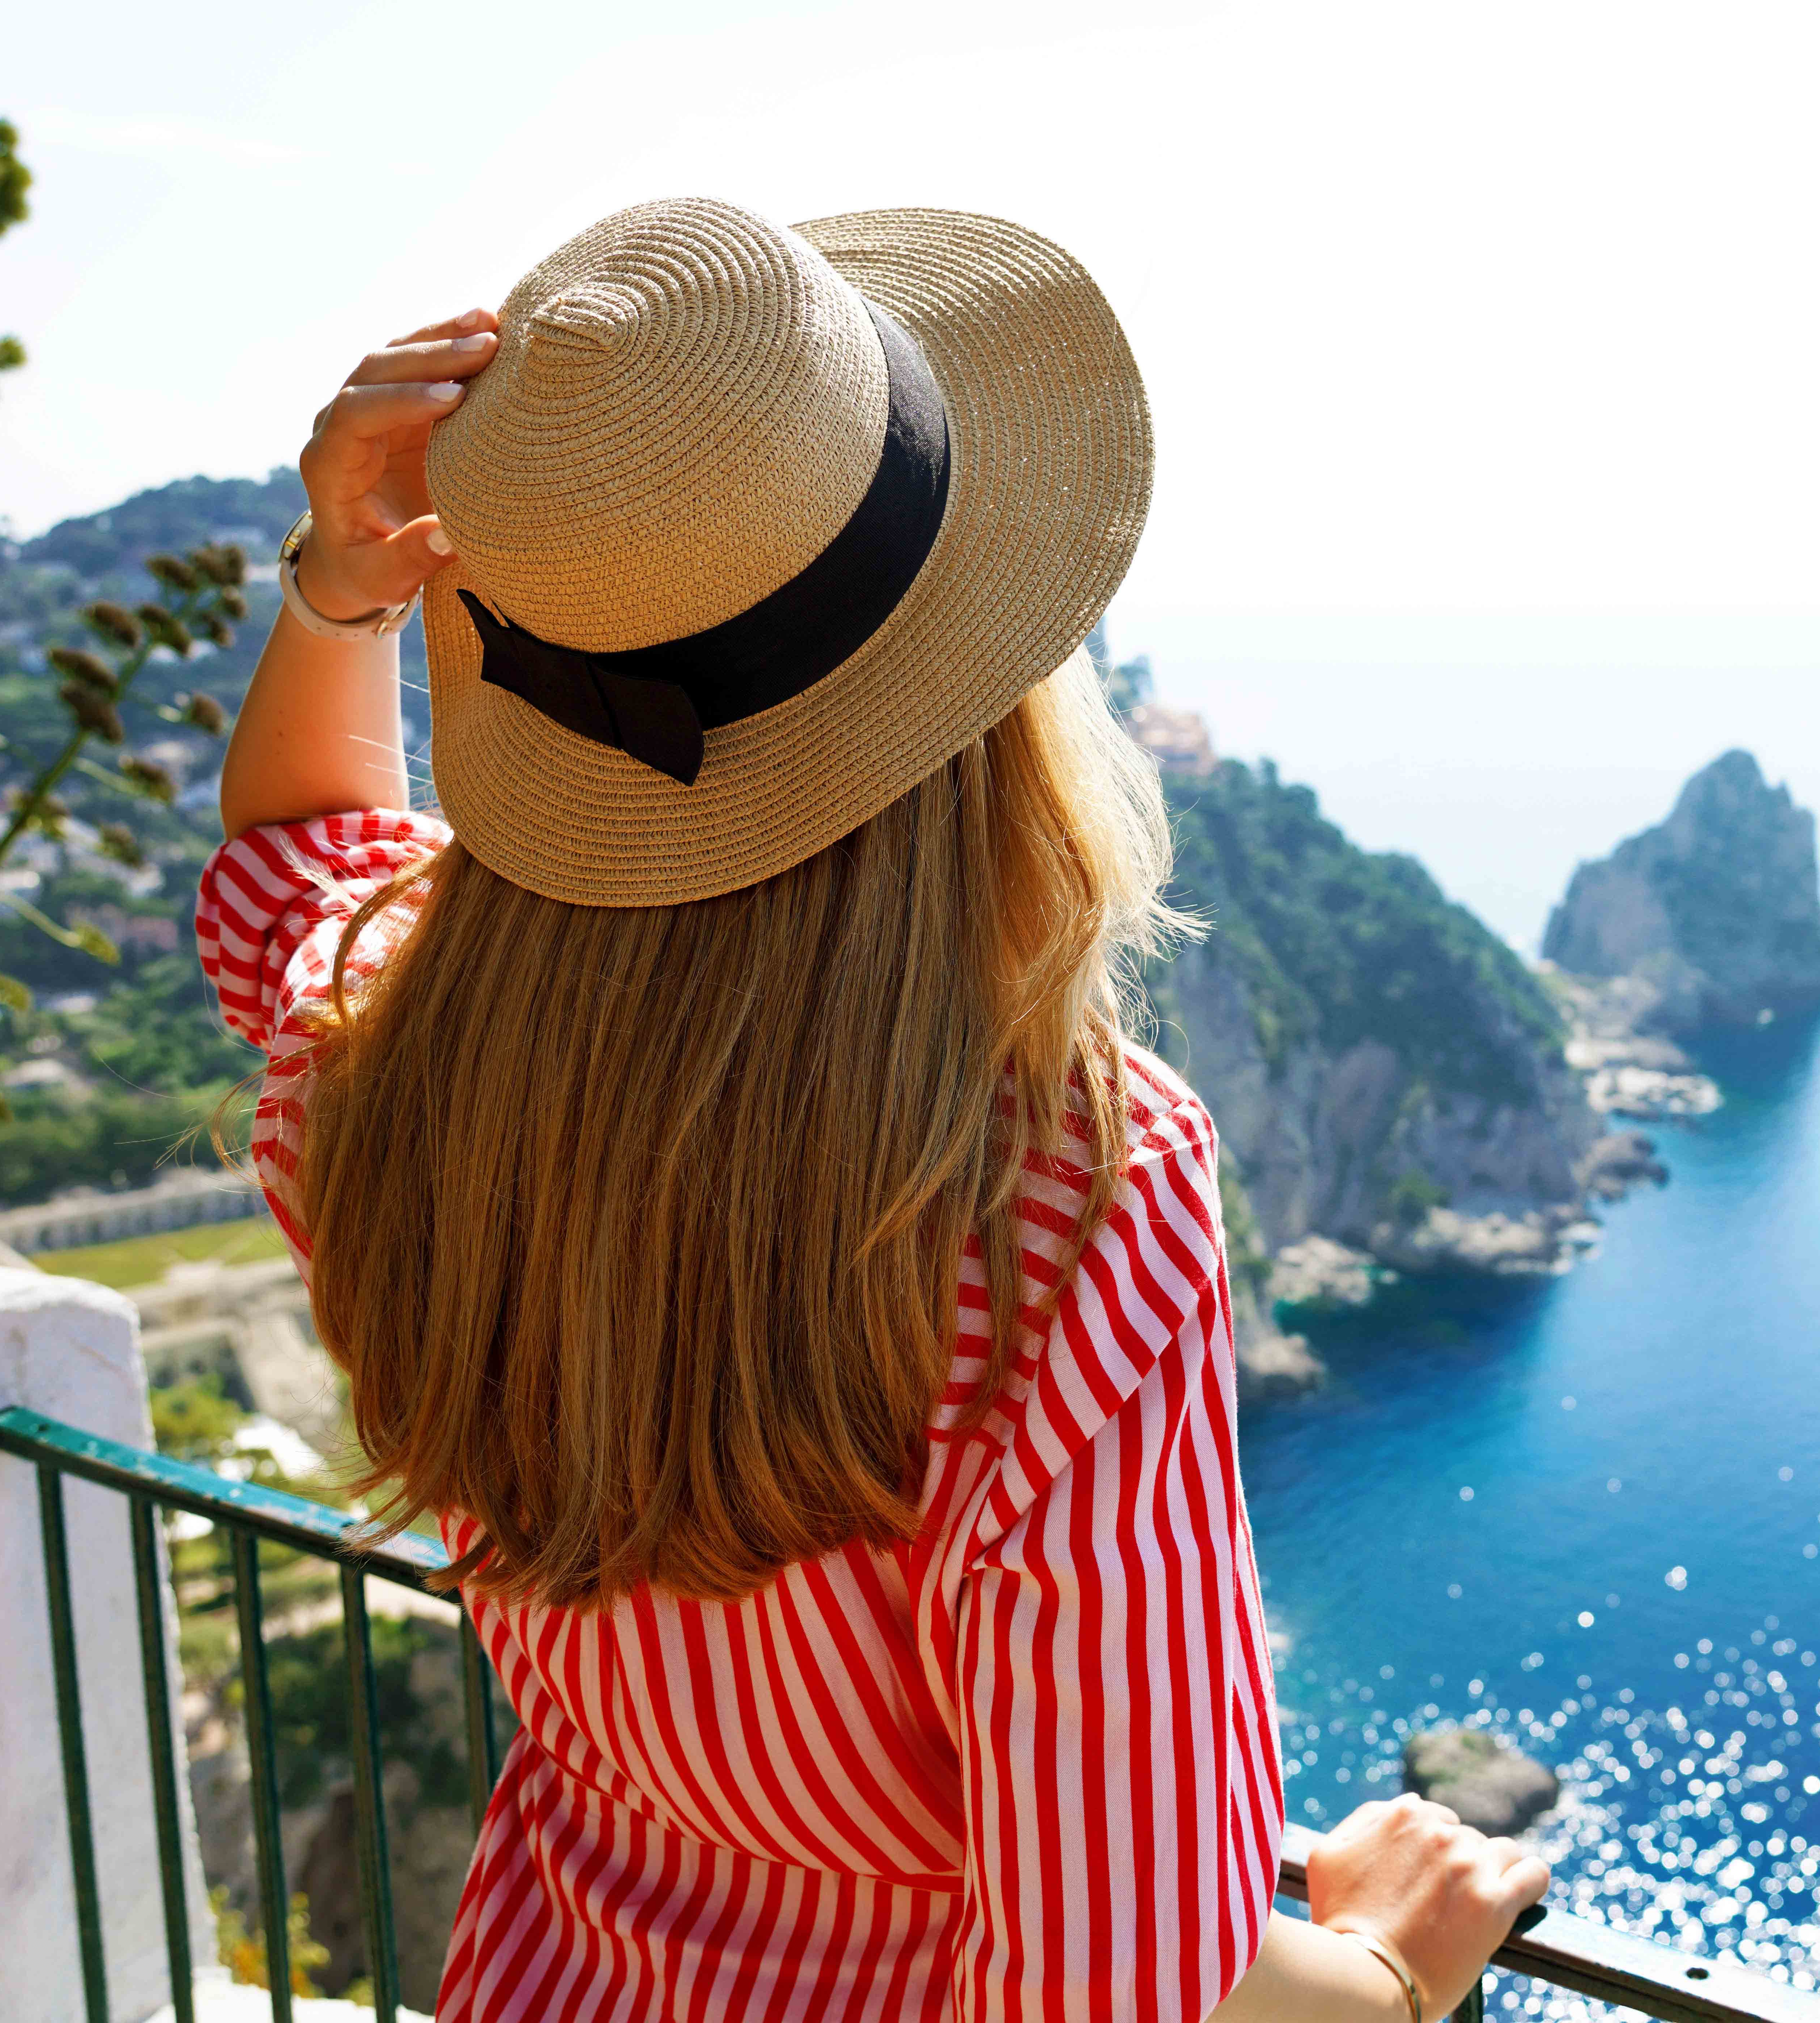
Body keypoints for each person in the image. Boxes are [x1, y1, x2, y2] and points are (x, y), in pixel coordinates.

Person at [199, 198, 1548, 2021]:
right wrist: (1393, 1964)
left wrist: (337, 589)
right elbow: (1118, 1978)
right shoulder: (1068, 1197)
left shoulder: (387, 1066)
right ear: (988, 698)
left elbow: (292, 851)